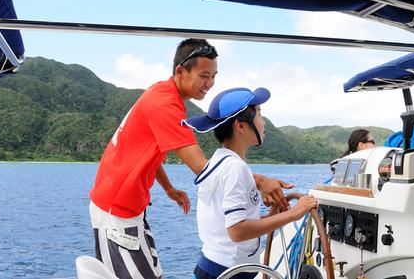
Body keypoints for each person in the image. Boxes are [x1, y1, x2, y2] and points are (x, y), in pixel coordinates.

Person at [88, 38, 292, 279]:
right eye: (204, 76)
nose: (210, 83)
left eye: (214, 76)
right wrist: (261, 181)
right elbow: (206, 170)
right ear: (180, 71)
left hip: (129, 208)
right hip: (117, 211)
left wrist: (168, 188)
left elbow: (146, 152)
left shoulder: (161, 93)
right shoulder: (165, 106)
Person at [182, 87, 319, 279]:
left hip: (214, 267)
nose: (263, 123)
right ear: (240, 126)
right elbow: (237, 231)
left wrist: (279, 216)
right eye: (260, 115)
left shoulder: (220, 161)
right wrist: (294, 214)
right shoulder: (235, 168)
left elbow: (230, 224)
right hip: (230, 272)